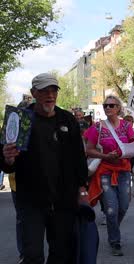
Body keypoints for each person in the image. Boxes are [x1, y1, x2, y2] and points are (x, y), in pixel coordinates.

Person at [0, 72, 89, 263]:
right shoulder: (21, 120)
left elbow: (79, 158)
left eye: (53, 91)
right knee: (32, 254)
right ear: (34, 93)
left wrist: (82, 189)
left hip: (63, 199)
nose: (50, 95)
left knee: (61, 253)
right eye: (44, 91)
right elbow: (7, 165)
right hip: (31, 200)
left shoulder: (67, 119)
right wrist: (7, 159)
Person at [86, 95, 134, 256]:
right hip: (105, 171)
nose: (108, 108)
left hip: (124, 171)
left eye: (112, 105)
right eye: (105, 105)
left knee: (124, 206)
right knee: (112, 209)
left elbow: (133, 147)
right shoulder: (97, 127)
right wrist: (106, 156)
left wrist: (121, 154)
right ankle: (115, 241)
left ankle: (113, 227)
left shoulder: (127, 126)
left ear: (118, 108)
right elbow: (89, 149)